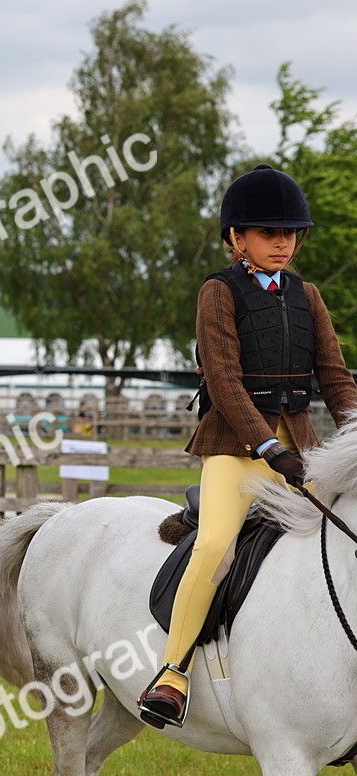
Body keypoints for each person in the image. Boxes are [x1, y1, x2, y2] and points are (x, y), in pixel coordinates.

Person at [137, 164, 357, 727]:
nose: (281, 243)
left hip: (305, 455)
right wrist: (265, 444)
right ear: (237, 237)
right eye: (268, 232)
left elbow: (334, 379)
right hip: (236, 455)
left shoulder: (308, 296)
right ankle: (173, 673)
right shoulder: (219, 292)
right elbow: (225, 379)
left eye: (289, 233)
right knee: (215, 546)